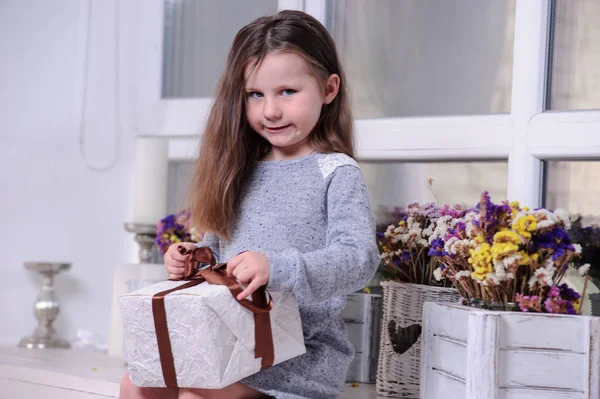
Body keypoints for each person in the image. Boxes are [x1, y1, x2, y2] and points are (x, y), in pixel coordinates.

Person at [120, 9, 379, 399]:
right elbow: (219, 258)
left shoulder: (335, 173)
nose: (270, 110)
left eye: (287, 92)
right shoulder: (239, 170)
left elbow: (359, 259)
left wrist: (277, 267)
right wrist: (192, 259)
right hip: (230, 347)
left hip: (296, 363)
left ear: (329, 89)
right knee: (137, 383)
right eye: (255, 95)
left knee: (193, 396)